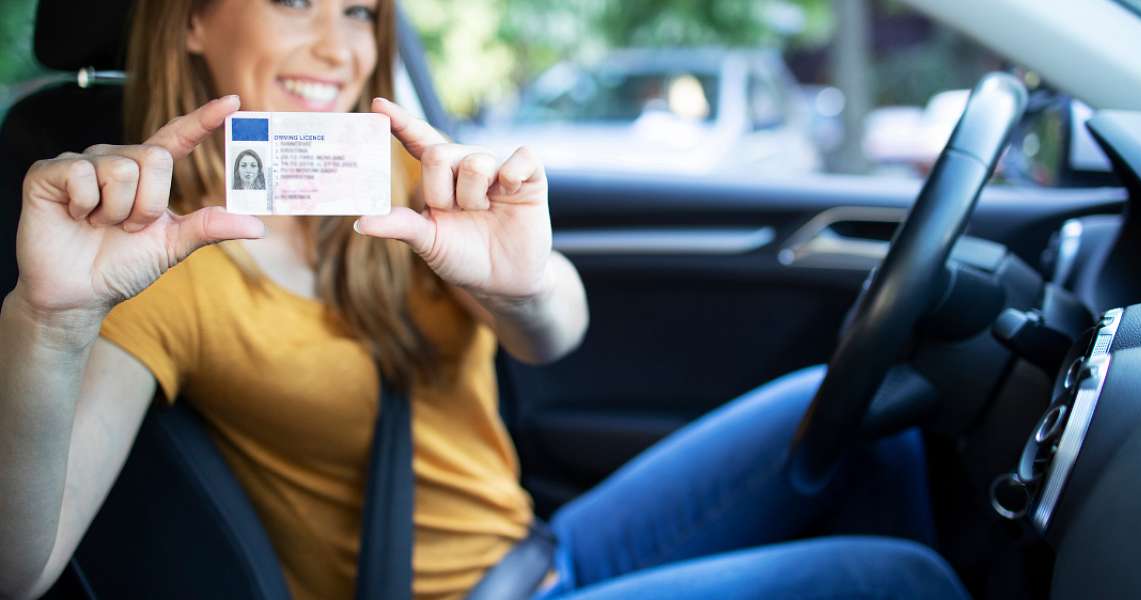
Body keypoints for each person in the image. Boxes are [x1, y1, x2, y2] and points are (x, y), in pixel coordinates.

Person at [0, 0, 969, 599]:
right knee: (902, 581)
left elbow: (554, 338)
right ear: (194, 19)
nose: (339, 46)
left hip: (539, 544)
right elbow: (23, 567)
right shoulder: (152, 262)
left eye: (360, 12)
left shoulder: (391, 163)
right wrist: (46, 325)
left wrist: (525, 281)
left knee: (864, 409)